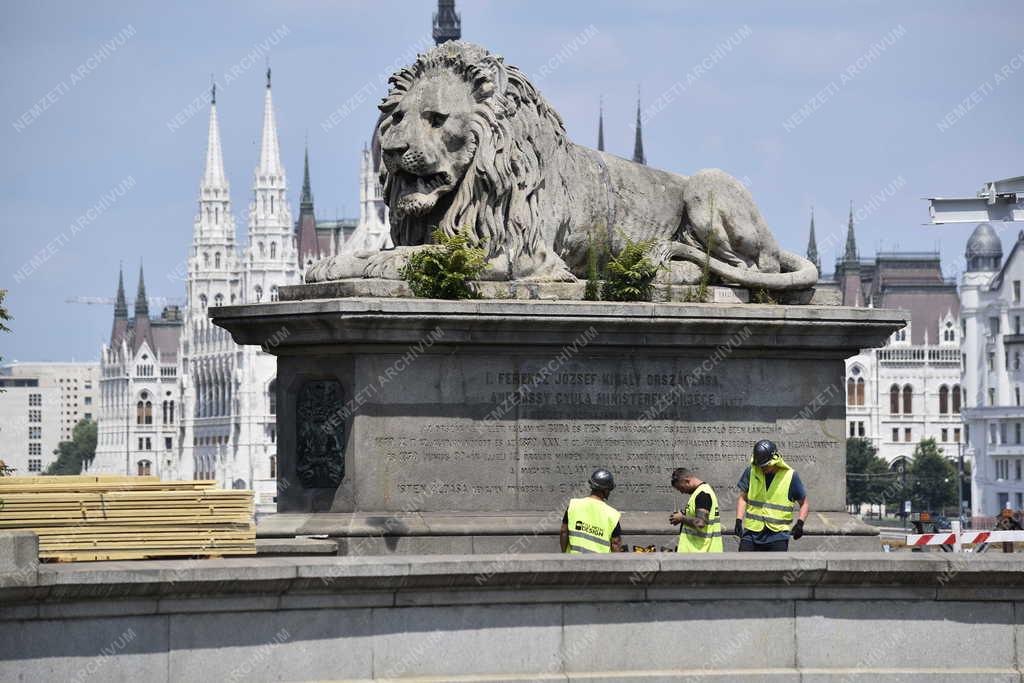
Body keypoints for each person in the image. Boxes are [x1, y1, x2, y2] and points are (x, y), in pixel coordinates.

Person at [735, 439, 809, 552]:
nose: (761, 468)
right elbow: (743, 498)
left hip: (778, 536)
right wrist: (738, 520)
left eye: (765, 466)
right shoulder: (751, 471)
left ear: (775, 460)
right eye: (760, 466)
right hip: (751, 533)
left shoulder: (790, 476)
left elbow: (804, 503)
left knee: (776, 569)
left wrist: (800, 523)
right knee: (741, 566)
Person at [561, 469, 623, 553]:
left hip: (573, 560)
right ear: (606, 490)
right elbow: (615, 543)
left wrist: (564, 554)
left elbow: (564, 531)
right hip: (601, 564)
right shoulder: (612, 515)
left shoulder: (574, 505)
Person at [668, 467, 722, 552]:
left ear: (687, 481)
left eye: (681, 488)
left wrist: (681, 518)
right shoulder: (701, 492)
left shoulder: (702, 494)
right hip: (698, 552)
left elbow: (700, 523)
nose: (682, 492)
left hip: (700, 552)